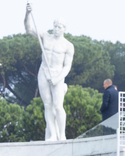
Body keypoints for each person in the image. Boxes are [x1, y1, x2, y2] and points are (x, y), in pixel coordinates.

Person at [24, 4, 75, 141]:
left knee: (58, 106)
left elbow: (67, 66)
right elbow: (29, 29)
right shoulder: (46, 37)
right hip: (44, 72)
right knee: (47, 105)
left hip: (57, 74)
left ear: (64, 29)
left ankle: (61, 134)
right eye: (55, 26)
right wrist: (28, 13)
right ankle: (52, 134)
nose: (56, 29)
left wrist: (58, 78)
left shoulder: (68, 45)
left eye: (60, 27)